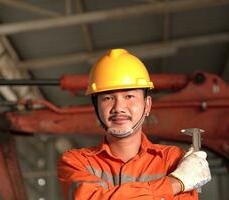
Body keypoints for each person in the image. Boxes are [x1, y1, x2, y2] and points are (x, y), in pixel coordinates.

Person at [57, 49, 211, 199]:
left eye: (129, 96)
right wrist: (174, 184)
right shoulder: (76, 162)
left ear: (148, 105)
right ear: (96, 107)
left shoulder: (174, 160)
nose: (118, 108)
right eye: (108, 98)